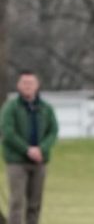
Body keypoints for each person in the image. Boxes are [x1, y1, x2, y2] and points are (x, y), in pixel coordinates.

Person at [0, 70, 59, 224]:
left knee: (35, 203)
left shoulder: (46, 108)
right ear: (18, 85)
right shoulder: (10, 108)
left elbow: (53, 131)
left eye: (31, 83)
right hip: (16, 161)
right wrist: (27, 149)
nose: (27, 86)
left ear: (37, 85)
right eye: (24, 83)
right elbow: (8, 131)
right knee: (16, 202)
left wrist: (42, 149)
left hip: (39, 161)